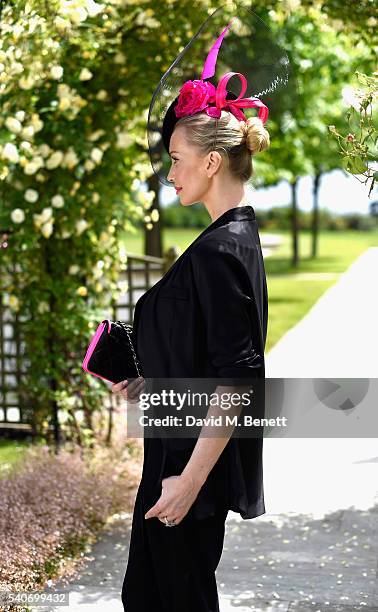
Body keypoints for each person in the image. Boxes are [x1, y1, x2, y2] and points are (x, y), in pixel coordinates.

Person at [112, 4, 294, 610]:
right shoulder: (235, 238)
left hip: (183, 476)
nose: (169, 174)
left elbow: (238, 379)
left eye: (176, 160)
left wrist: (188, 484)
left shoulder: (220, 250)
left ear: (211, 161)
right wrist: (150, 380)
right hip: (176, 464)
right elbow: (210, 356)